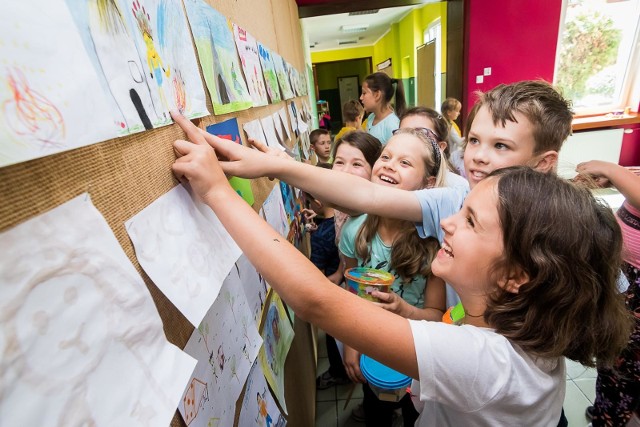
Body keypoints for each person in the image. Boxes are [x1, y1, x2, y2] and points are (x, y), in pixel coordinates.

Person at [170, 118, 632, 424]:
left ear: (516, 277)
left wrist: (217, 190)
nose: (448, 221)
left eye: (470, 221)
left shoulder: (492, 363)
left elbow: (316, 299)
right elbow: (363, 197)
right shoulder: (505, 322)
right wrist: (277, 165)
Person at [339, 129, 447, 426]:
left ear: (428, 183)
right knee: (376, 411)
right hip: (370, 344)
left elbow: (436, 316)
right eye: (385, 157)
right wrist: (351, 344)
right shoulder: (354, 231)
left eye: (404, 162)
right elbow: (351, 294)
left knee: (415, 414)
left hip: (417, 354)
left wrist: (403, 309)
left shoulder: (436, 242)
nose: (388, 164)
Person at [575, 161, 640, 427]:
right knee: (610, 348)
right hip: (624, 272)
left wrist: (614, 171)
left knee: (625, 362)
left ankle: (615, 413)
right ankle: (609, 406)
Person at [317, 131, 382, 392]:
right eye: (339, 162)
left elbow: (364, 287)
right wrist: (340, 273)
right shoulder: (343, 208)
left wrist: (354, 344)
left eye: (357, 164)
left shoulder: (370, 221)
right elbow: (350, 260)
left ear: (375, 170)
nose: (344, 171)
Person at [399, 106, 468, 191]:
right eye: (402, 133)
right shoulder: (388, 178)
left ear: (441, 146)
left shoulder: (458, 187)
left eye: (421, 133)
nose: (409, 139)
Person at [360, 72, 406, 145]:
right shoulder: (371, 117)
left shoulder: (392, 125)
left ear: (377, 95)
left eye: (364, 93)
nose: (361, 98)